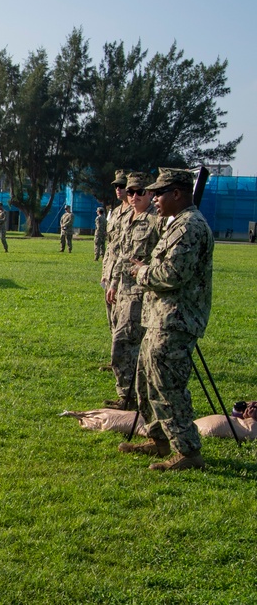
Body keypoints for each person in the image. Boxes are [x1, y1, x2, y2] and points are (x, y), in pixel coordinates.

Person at [118, 168, 213, 471]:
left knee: (168, 385)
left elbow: (173, 274)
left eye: (159, 192)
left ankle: (188, 451)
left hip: (177, 320)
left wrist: (141, 272)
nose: (153, 198)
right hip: (160, 317)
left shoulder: (190, 228)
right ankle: (159, 439)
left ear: (177, 194)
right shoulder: (176, 224)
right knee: (146, 381)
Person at [104, 173, 159, 411]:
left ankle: (129, 398)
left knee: (123, 343)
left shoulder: (157, 221)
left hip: (141, 293)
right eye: (130, 192)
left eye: (139, 192)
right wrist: (114, 282)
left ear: (150, 193)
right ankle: (128, 396)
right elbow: (121, 255)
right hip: (124, 290)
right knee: (124, 343)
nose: (133, 196)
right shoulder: (129, 217)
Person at [100, 170, 134, 368]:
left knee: (124, 322)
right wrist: (105, 272)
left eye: (123, 186)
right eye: (116, 186)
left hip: (124, 276)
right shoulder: (115, 211)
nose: (119, 190)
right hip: (110, 271)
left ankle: (124, 362)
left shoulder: (136, 212)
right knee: (111, 317)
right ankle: (117, 360)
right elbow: (111, 245)